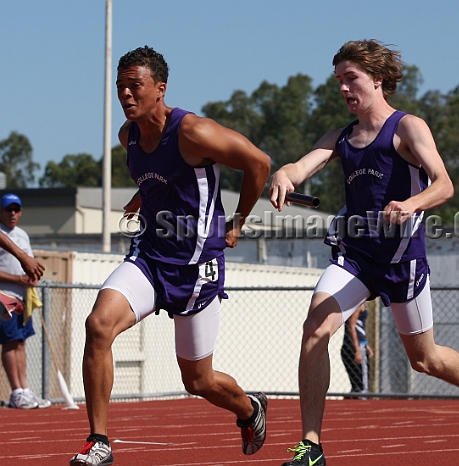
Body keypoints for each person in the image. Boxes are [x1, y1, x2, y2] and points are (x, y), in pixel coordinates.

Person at [270, 39, 459, 466]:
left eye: (350, 79)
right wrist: (283, 175)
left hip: (402, 261)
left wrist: (411, 204)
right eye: (338, 80)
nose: (342, 88)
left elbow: (444, 184)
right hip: (355, 258)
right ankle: (312, 445)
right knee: (314, 330)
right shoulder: (341, 137)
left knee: (424, 360)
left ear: (378, 81)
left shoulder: (408, 127)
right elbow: (298, 167)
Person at [69, 46, 271, 466]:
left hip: (197, 269)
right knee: (99, 325)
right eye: (120, 87)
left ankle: (250, 408)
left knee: (198, 381)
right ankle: (99, 441)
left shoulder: (193, 132)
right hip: (149, 258)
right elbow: (164, 176)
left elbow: (259, 164)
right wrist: (143, 196)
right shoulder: (129, 137)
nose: (125, 94)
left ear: (159, 89)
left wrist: (237, 222)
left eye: (134, 86)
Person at [0, 193, 50, 409]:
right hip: (4, 296)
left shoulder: (22, 235)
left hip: (23, 297)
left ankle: (25, 391)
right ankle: (16, 391)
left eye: (16, 209)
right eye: (8, 209)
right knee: (10, 342)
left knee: (21, 341)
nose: (13, 213)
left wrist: (31, 278)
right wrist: (17, 279)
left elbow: (30, 263)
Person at [340, 304, 372, 397]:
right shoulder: (358, 304)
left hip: (356, 344)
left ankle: (357, 398)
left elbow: (359, 327)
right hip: (356, 345)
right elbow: (352, 325)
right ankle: (362, 401)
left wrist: (366, 345)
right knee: (362, 386)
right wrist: (357, 350)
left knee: (356, 384)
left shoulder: (353, 303)